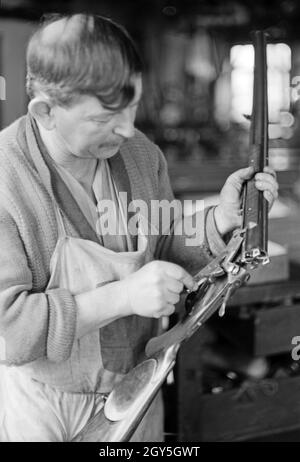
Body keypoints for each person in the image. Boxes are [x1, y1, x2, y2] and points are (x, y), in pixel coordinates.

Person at [0, 13, 278, 442]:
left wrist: (222, 219)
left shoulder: (140, 156)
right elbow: (10, 330)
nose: (129, 129)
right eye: (105, 118)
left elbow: (163, 249)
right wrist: (123, 296)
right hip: (44, 408)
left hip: (137, 390)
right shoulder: (7, 178)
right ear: (46, 111)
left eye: (132, 107)